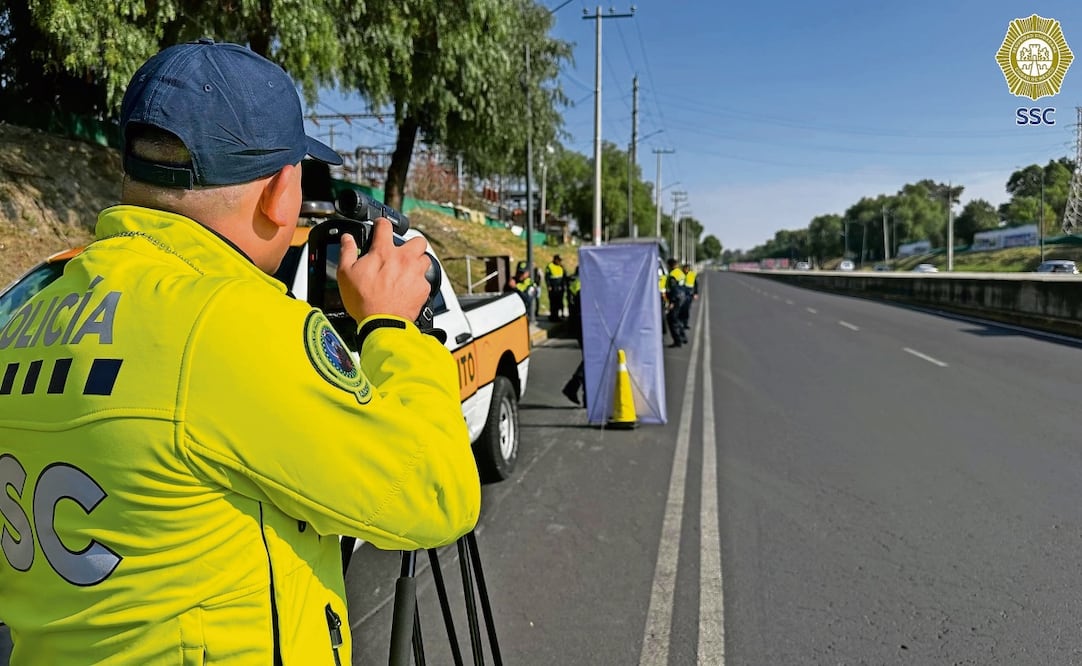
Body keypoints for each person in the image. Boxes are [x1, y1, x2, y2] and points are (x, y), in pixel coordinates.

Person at [0, 40, 480, 666]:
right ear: (281, 192)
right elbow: (436, 494)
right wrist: (390, 327)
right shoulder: (233, 323)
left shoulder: (25, 310)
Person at [561, 267, 585, 407]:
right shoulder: (586, 287)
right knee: (591, 359)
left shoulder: (576, 283)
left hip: (578, 323)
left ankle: (585, 395)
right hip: (585, 325)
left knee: (590, 359)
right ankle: (573, 386)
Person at [665, 258, 688, 347]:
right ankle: (683, 337)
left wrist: (672, 302)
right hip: (683, 298)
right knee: (678, 319)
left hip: (676, 299)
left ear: (670, 265)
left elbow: (674, 289)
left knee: (672, 320)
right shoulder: (681, 273)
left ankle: (677, 341)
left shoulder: (672, 275)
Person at [545, 254, 567, 321]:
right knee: (553, 302)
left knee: (559, 302)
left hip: (560, 287)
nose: (559, 262)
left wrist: (564, 286)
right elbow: (547, 277)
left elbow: (564, 277)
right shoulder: (550, 266)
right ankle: (553, 316)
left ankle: (558, 316)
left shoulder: (561, 267)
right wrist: (549, 286)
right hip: (553, 287)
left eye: (560, 260)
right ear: (555, 259)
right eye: (558, 260)